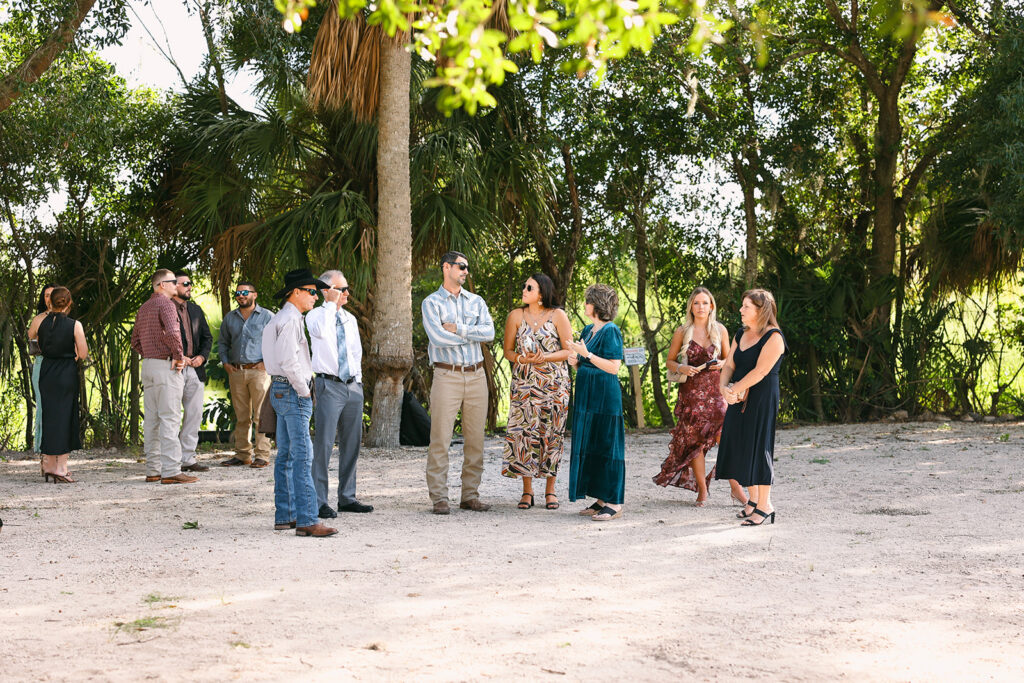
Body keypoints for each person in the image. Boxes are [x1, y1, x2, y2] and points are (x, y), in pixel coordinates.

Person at [262, 268, 337, 537]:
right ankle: (307, 519)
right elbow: (288, 360)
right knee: (303, 456)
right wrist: (304, 390)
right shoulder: (291, 319)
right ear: (296, 292)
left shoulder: (278, 318)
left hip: (280, 388)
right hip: (292, 390)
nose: (316, 297)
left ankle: (286, 515)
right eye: (312, 292)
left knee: (285, 455)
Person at [421, 250, 495, 515]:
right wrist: (472, 336)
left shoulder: (476, 301)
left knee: (476, 440)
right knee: (440, 438)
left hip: (477, 376)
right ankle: (439, 498)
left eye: (467, 267)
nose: (466, 271)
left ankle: (470, 496)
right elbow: (438, 338)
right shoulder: (431, 303)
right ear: (446, 267)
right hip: (446, 376)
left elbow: (490, 332)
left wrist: (460, 329)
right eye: (461, 266)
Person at [716, 289, 788, 527]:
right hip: (738, 395)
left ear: (761, 310)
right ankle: (754, 500)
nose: (741, 310)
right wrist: (724, 388)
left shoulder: (774, 337)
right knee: (741, 445)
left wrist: (734, 390)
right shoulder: (741, 333)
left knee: (759, 446)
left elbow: (760, 372)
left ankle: (765, 506)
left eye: (746, 306)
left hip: (761, 397)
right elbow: (729, 364)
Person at [653, 287, 731, 506]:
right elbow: (669, 361)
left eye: (705, 303)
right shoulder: (682, 331)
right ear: (691, 307)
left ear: (711, 306)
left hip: (716, 393)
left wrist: (721, 364)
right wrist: (682, 368)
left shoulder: (720, 330)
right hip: (692, 394)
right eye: (696, 303)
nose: (700, 307)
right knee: (695, 443)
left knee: (725, 439)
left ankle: (735, 488)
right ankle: (702, 491)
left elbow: (730, 360)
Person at [500, 273, 572, 510]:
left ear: (542, 293)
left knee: (552, 434)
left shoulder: (558, 315)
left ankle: (550, 491)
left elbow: (568, 351)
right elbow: (508, 351)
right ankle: (527, 491)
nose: (524, 290)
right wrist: (523, 359)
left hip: (554, 385)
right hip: (524, 385)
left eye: (529, 287)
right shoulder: (516, 315)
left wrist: (544, 357)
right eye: (524, 286)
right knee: (524, 433)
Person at [307, 270, 372, 518]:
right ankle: (319, 501)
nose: (347, 293)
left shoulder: (350, 319)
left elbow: (355, 352)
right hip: (329, 385)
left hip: (352, 385)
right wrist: (330, 305)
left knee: (352, 443)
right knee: (323, 444)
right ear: (327, 291)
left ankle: (347, 497)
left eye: (347, 288)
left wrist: (358, 382)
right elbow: (321, 333)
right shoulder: (315, 316)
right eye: (341, 289)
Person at [567, 284, 626, 521]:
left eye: (588, 301)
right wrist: (576, 361)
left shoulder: (611, 331)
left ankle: (614, 502)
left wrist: (587, 355)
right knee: (592, 445)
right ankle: (601, 498)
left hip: (605, 397)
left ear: (598, 304)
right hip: (587, 396)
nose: (585, 305)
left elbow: (613, 367)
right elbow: (587, 364)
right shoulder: (588, 329)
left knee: (607, 446)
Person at [131, 269, 194, 484]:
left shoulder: (144, 307)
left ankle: (153, 470)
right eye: (173, 281)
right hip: (166, 366)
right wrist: (178, 356)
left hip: (148, 365)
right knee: (170, 418)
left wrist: (150, 354)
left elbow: (135, 341)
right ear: (162, 285)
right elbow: (174, 333)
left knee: (152, 420)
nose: (177, 284)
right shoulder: (166, 304)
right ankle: (171, 471)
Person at [218, 280, 274, 468]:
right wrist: (225, 362)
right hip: (236, 372)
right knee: (242, 417)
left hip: (259, 372)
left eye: (245, 292)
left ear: (254, 295)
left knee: (260, 416)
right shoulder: (230, 318)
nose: (241, 296)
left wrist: (267, 362)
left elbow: (278, 341)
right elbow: (223, 342)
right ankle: (242, 455)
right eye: (238, 293)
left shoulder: (267, 316)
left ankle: (262, 455)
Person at [37, 287, 88, 482]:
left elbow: (36, 342)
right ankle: (61, 468)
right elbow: (83, 353)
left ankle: (49, 465)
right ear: (69, 303)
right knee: (65, 416)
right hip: (65, 372)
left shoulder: (41, 322)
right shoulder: (75, 325)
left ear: (50, 302)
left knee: (49, 416)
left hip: (47, 372)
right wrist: (72, 352)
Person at [172, 273, 213, 474]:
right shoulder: (165, 308)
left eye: (190, 283)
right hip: (173, 368)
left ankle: (187, 459)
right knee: (171, 415)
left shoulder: (195, 310)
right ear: (174, 286)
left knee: (194, 414)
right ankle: (170, 460)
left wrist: (202, 357)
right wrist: (179, 356)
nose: (189, 286)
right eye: (185, 283)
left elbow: (207, 337)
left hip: (195, 369)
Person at [27, 283, 57, 457]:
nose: (49, 298)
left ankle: (57, 448)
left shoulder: (67, 320)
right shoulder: (38, 318)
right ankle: (41, 448)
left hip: (60, 366)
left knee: (58, 406)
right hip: (42, 363)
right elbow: (31, 337)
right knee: (42, 405)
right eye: (46, 295)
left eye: (52, 294)